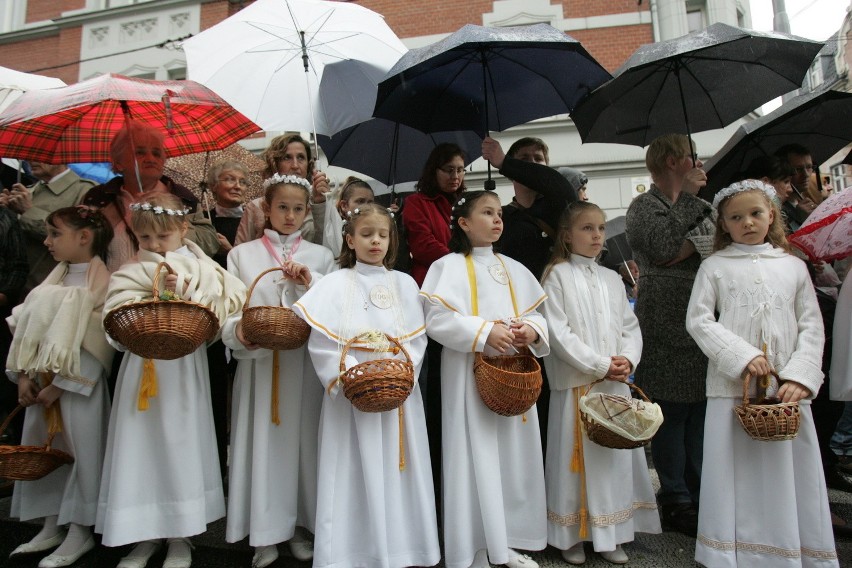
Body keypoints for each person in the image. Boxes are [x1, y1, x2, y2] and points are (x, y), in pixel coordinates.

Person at [686, 179, 837, 567]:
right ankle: (731, 553)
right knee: (734, 471)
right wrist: (741, 355)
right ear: (723, 224)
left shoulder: (794, 267)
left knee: (788, 473)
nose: (747, 222)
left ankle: (791, 550)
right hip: (731, 388)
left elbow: (812, 324)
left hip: (785, 391)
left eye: (755, 213)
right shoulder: (714, 266)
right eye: (736, 217)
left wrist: (802, 376)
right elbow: (699, 321)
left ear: (772, 215)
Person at [96, 192, 245, 568]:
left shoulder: (204, 267)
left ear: (183, 228)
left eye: (163, 236)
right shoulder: (131, 269)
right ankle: (142, 534)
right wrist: (147, 300)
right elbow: (114, 313)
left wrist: (186, 293)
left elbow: (224, 302)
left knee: (180, 444)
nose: (153, 245)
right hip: (140, 368)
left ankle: (181, 534)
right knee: (140, 447)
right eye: (145, 238)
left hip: (182, 368)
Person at [292, 203, 440, 568]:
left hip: (397, 395)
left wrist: (396, 373)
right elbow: (323, 343)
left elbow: (416, 341)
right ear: (350, 239)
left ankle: (404, 548)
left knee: (398, 468)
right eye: (366, 234)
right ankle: (349, 552)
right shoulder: (335, 283)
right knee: (351, 470)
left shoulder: (405, 284)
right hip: (350, 395)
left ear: (392, 241)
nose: (375, 241)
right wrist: (354, 375)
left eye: (383, 235)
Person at [420, 190, 549, 568]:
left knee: (513, 457)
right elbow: (437, 320)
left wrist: (531, 331)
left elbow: (540, 316)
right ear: (463, 223)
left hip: (513, 376)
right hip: (466, 376)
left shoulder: (514, 267)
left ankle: (508, 540)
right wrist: (482, 333)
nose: (497, 220)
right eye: (487, 213)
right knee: (471, 454)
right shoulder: (447, 267)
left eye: (499, 214)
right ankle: (472, 546)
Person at [540, 201, 660, 566]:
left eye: (600, 228)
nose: (596, 236)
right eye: (587, 228)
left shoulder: (611, 278)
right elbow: (557, 333)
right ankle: (571, 534)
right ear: (566, 235)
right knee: (575, 461)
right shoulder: (555, 276)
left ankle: (612, 532)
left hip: (614, 386)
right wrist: (599, 364)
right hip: (578, 384)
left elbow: (629, 325)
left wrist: (627, 359)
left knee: (611, 459)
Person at [223, 174, 335, 567]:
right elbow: (231, 307)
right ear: (266, 209)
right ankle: (265, 533)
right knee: (262, 445)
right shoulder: (242, 255)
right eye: (282, 207)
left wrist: (308, 284)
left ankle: (300, 525)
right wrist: (239, 333)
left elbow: (331, 308)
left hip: (302, 367)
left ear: (307, 212)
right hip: (259, 366)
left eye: (298, 208)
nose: (289, 215)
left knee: (304, 445)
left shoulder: (320, 256)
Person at [6, 206, 114, 568]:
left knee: (81, 452)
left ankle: (80, 529)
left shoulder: (103, 284)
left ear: (84, 237)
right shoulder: (51, 282)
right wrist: (24, 375)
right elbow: (26, 328)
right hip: (40, 384)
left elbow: (98, 339)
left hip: (77, 387)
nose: (47, 241)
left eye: (55, 234)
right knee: (44, 448)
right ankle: (50, 522)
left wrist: (62, 385)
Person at [625, 133, 714, 537]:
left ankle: (701, 491)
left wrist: (694, 228)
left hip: (702, 310)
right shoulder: (644, 205)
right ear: (674, 160)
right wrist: (692, 211)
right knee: (672, 410)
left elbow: (716, 245)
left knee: (699, 409)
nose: (699, 162)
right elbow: (664, 249)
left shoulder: (703, 205)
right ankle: (675, 497)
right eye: (692, 156)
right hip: (663, 315)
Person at [81, 120, 219, 271]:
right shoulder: (99, 198)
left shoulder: (181, 196)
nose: (150, 158)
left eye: (156, 153)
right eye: (139, 152)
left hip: (169, 286)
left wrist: (168, 217)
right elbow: (79, 245)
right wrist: (106, 220)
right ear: (119, 162)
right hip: (113, 286)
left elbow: (210, 242)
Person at [203, 159, 249, 480]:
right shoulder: (203, 219)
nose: (236, 186)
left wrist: (231, 249)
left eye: (242, 181)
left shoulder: (252, 218)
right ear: (213, 185)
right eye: (229, 179)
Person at [481, 136, 577, 280]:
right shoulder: (501, 217)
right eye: (524, 159)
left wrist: (504, 161)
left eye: (538, 159)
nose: (532, 164)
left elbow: (558, 184)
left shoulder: (560, 204)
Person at [7, 162, 95, 294]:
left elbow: (76, 238)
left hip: (48, 285)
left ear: (61, 157)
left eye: (39, 155)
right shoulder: (29, 190)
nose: (31, 159)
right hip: (12, 282)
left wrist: (28, 211)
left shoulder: (84, 190)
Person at [235, 133, 329, 246]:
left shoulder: (319, 203)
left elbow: (330, 248)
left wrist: (320, 205)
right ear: (275, 163)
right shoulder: (256, 206)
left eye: (301, 157)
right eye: (287, 157)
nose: (295, 165)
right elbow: (241, 252)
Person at [403, 142, 467, 286]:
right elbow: (423, 246)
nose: (456, 176)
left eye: (460, 170)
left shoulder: (467, 203)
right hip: (433, 281)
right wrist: (461, 260)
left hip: (465, 279)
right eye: (449, 170)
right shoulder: (416, 203)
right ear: (434, 171)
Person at [321, 176, 375, 260]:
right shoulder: (332, 232)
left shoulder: (378, 233)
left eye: (370, 202)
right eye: (360, 201)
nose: (366, 207)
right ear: (344, 206)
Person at [774, 143, 818, 232]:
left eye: (809, 167)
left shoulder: (805, 203)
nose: (806, 174)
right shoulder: (776, 210)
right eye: (798, 169)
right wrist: (801, 220)